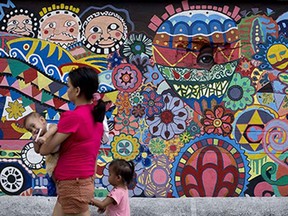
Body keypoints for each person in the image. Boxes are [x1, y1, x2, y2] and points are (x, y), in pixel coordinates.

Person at [36, 66, 106, 216]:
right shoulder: (97, 118)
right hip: (82, 181)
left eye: (69, 86)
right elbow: (94, 153)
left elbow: (45, 150)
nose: (67, 90)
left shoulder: (73, 117)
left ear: (77, 91)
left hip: (72, 182)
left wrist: (40, 135)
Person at [23, 112, 58, 196]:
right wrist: (35, 142)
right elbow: (37, 151)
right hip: (51, 164)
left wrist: (45, 137)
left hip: (59, 160)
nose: (34, 130)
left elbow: (55, 127)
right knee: (52, 184)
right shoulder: (37, 136)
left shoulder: (49, 127)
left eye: (33, 126)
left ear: (42, 120)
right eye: (30, 130)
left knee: (60, 184)